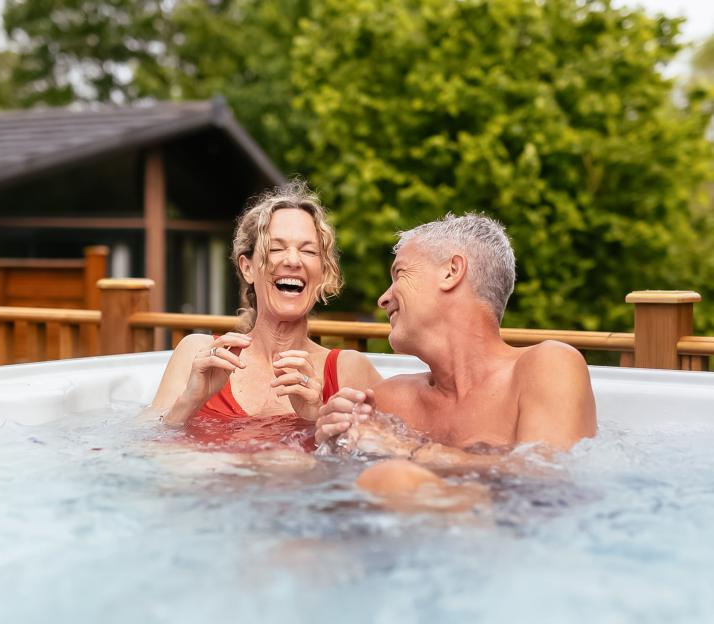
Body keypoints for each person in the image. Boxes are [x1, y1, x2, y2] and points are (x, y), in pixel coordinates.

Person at [314, 213, 597, 497]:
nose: (383, 298)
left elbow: (546, 482)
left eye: (399, 274)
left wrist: (407, 450)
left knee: (394, 478)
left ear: (451, 271)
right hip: (423, 531)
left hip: (516, 530)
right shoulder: (391, 399)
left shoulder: (548, 366)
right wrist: (331, 442)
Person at [151, 181, 382, 453]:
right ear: (247, 267)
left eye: (308, 251)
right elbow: (146, 453)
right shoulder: (198, 354)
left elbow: (391, 457)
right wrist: (190, 400)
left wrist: (313, 419)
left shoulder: (349, 370)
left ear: (323, 272)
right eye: (276, 248)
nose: (293, 260)